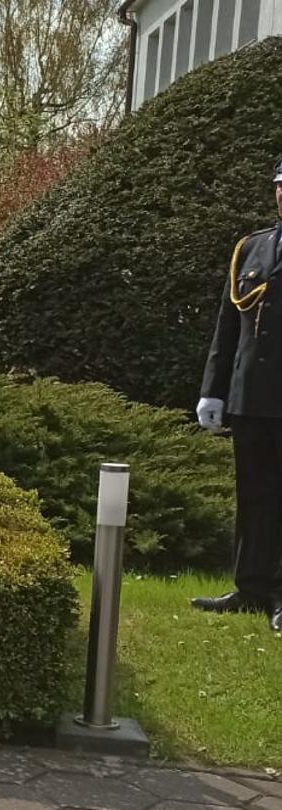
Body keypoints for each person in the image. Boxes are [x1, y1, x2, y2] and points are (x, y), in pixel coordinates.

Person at [194, 155, 282, 633]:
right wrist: (214, 390)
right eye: (280, 186)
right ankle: (250, 587)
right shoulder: (251, 248)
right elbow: (228, 328)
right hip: (249, 398)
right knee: (254, 497)